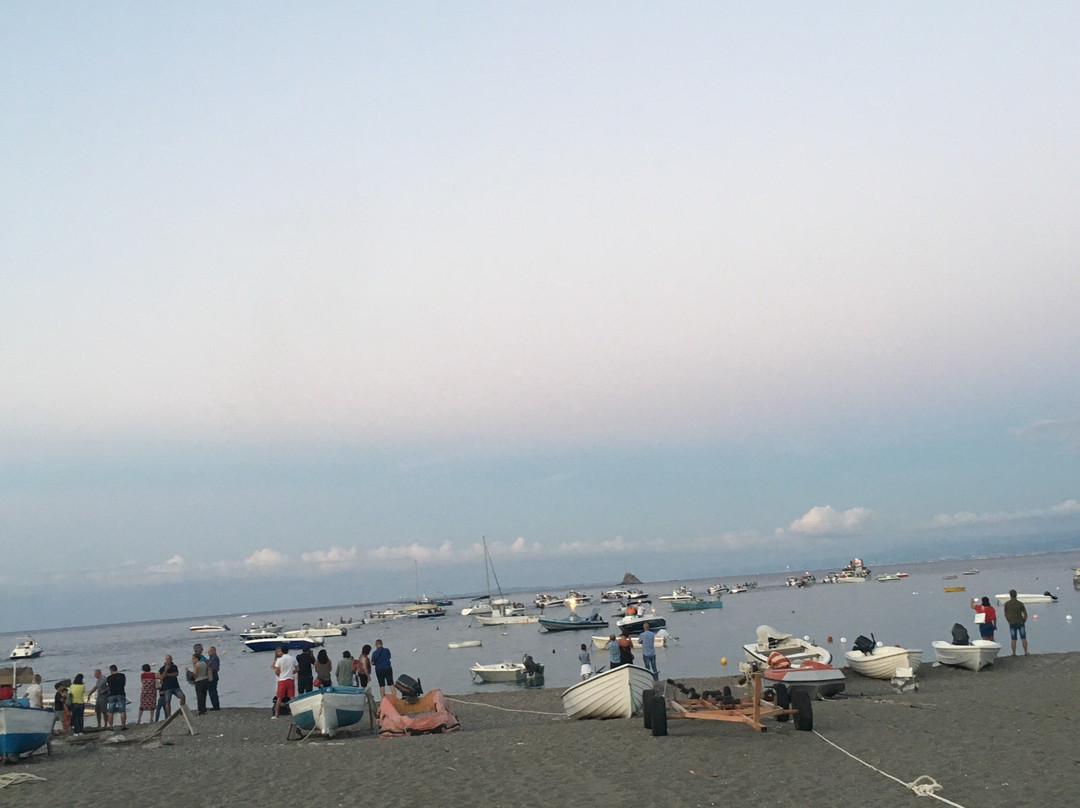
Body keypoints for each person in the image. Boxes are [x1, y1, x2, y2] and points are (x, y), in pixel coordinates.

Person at [156, 654, 185, 720]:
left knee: (182, 696)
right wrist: (166, 670)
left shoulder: (174, 666)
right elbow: (161, 677)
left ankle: (181, 710)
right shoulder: (162, 668)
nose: (167, 660)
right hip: (167, 687)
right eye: (166, 659)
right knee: (167, 701)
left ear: (171, 660)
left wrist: (168, 674)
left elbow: (176, 674)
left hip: (175, 686)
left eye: (169, 659)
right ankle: (169, 715)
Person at [272, 644, 296, 719]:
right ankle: (295, 713)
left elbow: (276, 671)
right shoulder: (293, 658)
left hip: (282, 679)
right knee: (292, 697)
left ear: (282, 651)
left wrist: (281, 674)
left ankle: (276, 714)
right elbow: (297, 668)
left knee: (279, 697)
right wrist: (292, 672)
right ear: (288, 650)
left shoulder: (279, 660)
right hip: (290, 679)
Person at [1003, 590, 1029, 655]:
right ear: (1016, 595)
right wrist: (1024, 620)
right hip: (1020, 621)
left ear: (1010, 595)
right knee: (1023, 638)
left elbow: (1006, 614)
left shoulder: (1007, 604)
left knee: (1013, 638)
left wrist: (1008, 620)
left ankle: (1014, 652)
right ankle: (1025, 652)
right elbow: (1025, 613)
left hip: (1012, 622)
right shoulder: (1020, 603)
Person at [106, 664, 127, 730]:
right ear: (116, 669)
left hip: (112, 694)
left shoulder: (109, 678)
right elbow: (124, 684)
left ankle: (111, 726)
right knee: (122, 711)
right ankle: (123, 726)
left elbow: (108, 687)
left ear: (111, 670)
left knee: (110, 711)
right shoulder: (122, 675)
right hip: (120, 693)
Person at [206, 646, 221, 710]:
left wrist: (208, 669)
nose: (208, 652)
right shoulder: (211, 658)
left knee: (212, 691)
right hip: (212, 675)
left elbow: (214, 668)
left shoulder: (214, 658)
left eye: (210, 651)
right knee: (212, 691)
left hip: (212, 676)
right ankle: (215, 705)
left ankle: (216, 706)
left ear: (213, 651)